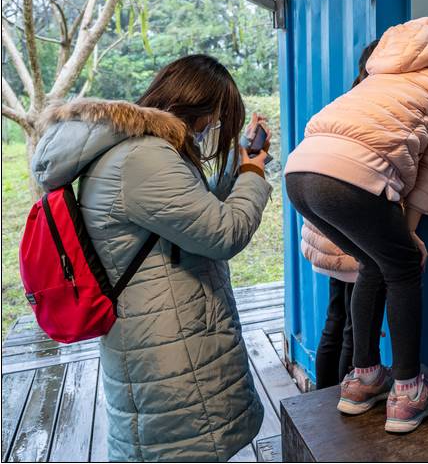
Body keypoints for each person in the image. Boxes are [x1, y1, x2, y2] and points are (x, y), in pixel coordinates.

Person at [30, 54, 272, 462]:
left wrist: (241, 164)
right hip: (166, 346)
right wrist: (253, 176)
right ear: (198, 107)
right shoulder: (145, 158)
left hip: (161, 331)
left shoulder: (135, 150)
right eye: (215, 117)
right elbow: (222, 233)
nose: (212, 128)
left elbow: (191, 211)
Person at [285, 15, 428, 433]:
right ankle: (409, 390)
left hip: (301, 171)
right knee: (405, 264)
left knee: (371, 263)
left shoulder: (387, 62)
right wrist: (409, 228)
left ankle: (364, 379)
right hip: (351, 178)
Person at [302, 40, 377, 388]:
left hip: (324, 227)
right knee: (353, 327)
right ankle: (340, 404)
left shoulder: (346, 100)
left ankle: (323, 400)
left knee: (336, 319)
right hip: (349, 229)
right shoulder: (376, 105)